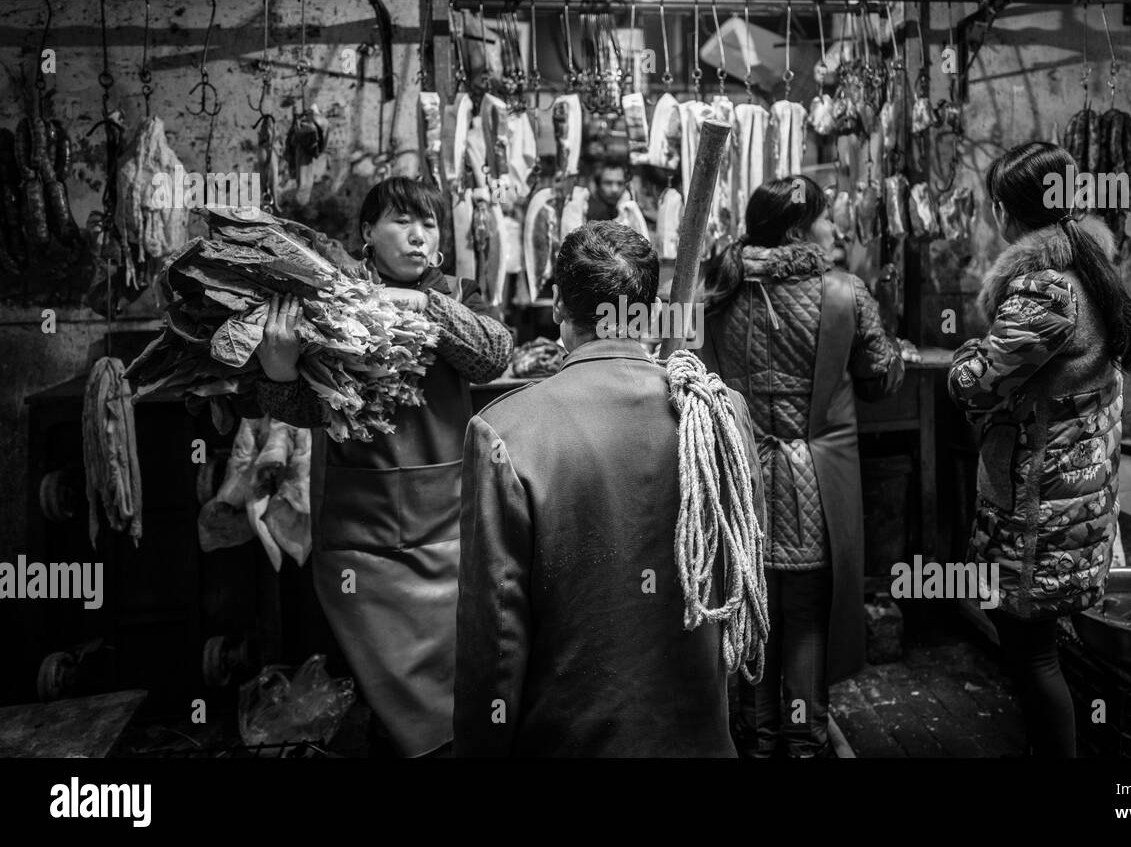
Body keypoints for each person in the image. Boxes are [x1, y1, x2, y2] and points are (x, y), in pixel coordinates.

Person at [454, 221, 766, 757]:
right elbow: (739, 587)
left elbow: (496, 639)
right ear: (649, 308)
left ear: (556, 305)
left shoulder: (505, 432)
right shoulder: (718, 414)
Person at [254, 177, 513, 757]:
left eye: (429, 223)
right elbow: (306, 409)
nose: (419, 235)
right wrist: (277, 371)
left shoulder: (456, 294)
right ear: (367, 232)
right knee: (387, 692)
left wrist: (420, 304)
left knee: (456, 688)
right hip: (360, 539)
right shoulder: (329, 299)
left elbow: (495, 355)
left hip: (447, 529)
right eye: (402, 221)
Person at [948, 141, 1131, 757]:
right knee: (1036, 650)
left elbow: (975, 385)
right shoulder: (1088, 267)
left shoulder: (1045, 290)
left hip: (1042, 512)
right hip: (1071, 503)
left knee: (1031, 654)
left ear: (1008, 213)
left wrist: (963, 359)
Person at [699, 175, 905, 759]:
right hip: (811, 483)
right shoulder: (842, 293)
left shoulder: (717, 289)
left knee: (755, 621)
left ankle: (758, 747)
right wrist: (896, 352)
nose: (834, 227)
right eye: (824, 217)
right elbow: (881, 379)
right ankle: (807, 744)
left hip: (736, 483)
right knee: (807, 621)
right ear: (797, 229)